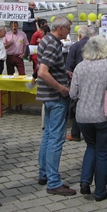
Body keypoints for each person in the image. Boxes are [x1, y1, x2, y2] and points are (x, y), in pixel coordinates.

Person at [70, 36, 107, 201]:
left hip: (82, 116)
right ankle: (100, 191)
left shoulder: (80, 66)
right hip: (103, 114)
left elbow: (73, 93)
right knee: (103, 152)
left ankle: (85, 181)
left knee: (91, 146)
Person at [36, 16, 75, 196]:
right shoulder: (53, 44)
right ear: (60, 28)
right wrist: (61, 88)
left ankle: (44, 174)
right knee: (56, 139)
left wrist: (63, 71)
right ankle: (53, 181)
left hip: (47, 96)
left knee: (48, 135)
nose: (69, 32)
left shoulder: (46, 40)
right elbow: (43, 72)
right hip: (55, 96)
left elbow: (47, 66)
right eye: (68, 29)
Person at [65, 25, 91, 142]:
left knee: (77, 105)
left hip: (79, 79)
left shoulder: (75, 46)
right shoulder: (95, 45)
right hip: (95, 79)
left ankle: (75, 133)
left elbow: (69, 66)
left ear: (79, 35)